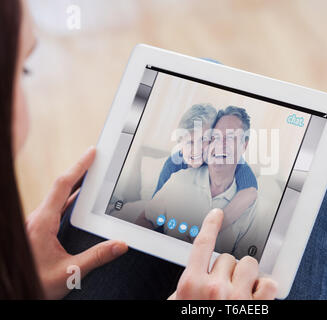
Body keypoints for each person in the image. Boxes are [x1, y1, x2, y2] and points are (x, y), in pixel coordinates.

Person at [0, 0, 277, 300]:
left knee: (209, 69)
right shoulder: (177, 169)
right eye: (23, 70)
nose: (210, 147)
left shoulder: (244, 183)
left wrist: (16, 282)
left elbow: (240, 171)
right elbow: (151, 212)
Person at [138, 106, 256, 255]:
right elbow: (153, 214)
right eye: (190, 143)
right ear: (180, 145)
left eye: (204, 140)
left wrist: (206, 231)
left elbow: (250, 191)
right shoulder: (174, 166)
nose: (197, 150)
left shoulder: (228, 162)